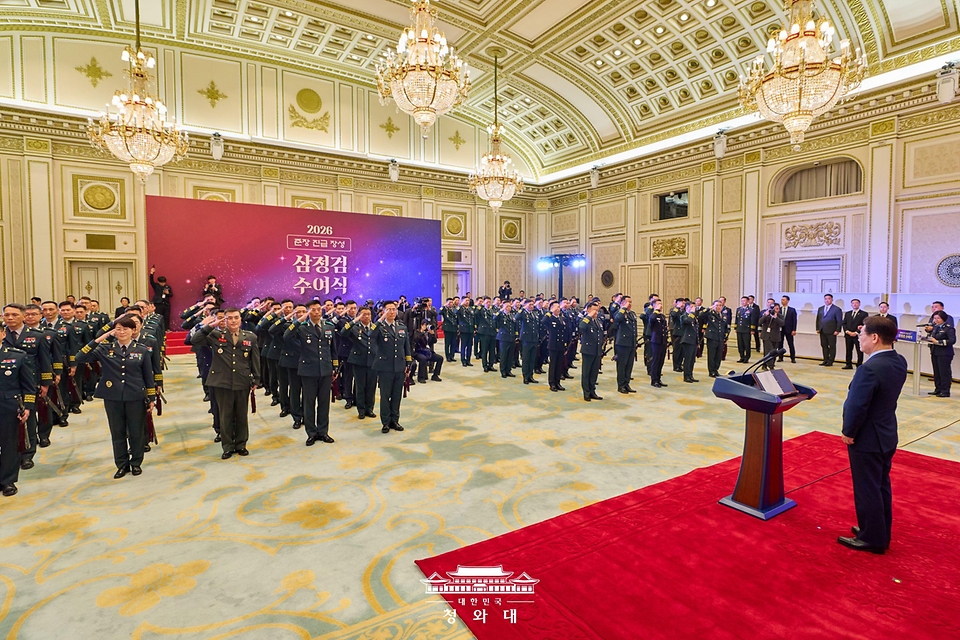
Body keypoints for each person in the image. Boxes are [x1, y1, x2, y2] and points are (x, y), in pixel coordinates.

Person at [838, 316, 907, 554]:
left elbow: (857, 406)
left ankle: (872, 539)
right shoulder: (898, 360)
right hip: (886, 433)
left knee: (867, 488)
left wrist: (848, 432)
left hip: (867, 438)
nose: (859, 338)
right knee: (880, 485)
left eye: (862, 334)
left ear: (875, 338)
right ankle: (878, 529)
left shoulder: (869, 368)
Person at [75, 317, 155, 478]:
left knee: (136, 431)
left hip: (135, 395)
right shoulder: (105, 349)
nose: (122, 332)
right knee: (117, 431)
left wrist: (151, 397)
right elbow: (80, 357)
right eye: (118, 328)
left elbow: (148, 375)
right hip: (112, 396)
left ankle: (136, 463)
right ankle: (121, 464)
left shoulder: (142, 350)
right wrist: (100, 338)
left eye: (126, 329)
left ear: (133, 331)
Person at [192, 308, 260, 459]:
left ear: (240, 319)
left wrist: (256, 378)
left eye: (236, 317)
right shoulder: (216, 335)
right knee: (225, 415)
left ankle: (241, 444)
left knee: (242, 415)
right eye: (230, 318)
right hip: (222, 382)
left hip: (242, 380)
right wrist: (210, 325)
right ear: (225, 320)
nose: (233, 321)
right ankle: (227, 446)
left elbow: (254, 359)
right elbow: (195, 340)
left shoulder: (250, 336)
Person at [287, 300, 337, 445]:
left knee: (324, 403)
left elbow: (333, 349)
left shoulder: (329, 326)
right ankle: (311, 433)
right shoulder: (302, 327)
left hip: (325, 370)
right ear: (309, 312)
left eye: (318, 309)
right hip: (308, 371)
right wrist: (298, 320)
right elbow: (286, 336)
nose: (316, 312)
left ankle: (323, 432)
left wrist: (334, 367)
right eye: (313, 310)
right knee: (309, 403)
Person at [371, 301, 412, 434]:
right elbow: (371, 335)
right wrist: (380, 319)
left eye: (393, 309)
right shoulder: (379, 327)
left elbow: (407, 347)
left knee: (396, 395)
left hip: (399, 366)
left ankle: (395, 420)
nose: (392, 312)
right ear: (383, 311)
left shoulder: (402, 327)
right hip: (385, 367)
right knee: (385, 396)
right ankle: (386, 422)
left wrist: (408, 363)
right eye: (388, 309)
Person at [0, 344, 35, 496]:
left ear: (2, 334)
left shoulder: (18, 356)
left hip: (8, 406)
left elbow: (28, 385)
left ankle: (7, 480)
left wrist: (27, 406)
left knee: (9, 444)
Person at [344, 306, 377, 420]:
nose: (366, 316)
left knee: (371, 386)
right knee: (360, 386)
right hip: (359, 361)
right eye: (364, 314)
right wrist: (354, 321)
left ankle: (370, 408)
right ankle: (361, 409)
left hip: (373, 361)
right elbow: (343, 333)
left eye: (368, 314)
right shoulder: (354, 327)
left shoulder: (375, 327)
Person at [577, 301, 604, 401]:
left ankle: (592, 391)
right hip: (588, 350)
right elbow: (581, 327)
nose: (596, 312)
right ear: (588, 310)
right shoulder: (585, 320)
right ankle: (586, 392)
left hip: (596, 350)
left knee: (594, 373)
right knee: (586, 373)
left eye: (597, 310)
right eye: (594, 310)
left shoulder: (597, 321)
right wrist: (589, 316)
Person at [612, 296, 638, 394]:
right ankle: (621, 385)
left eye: (631, 302)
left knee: (629, 365)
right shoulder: (619, 312)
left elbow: (634, 329)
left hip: (631, 343)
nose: (630, 304)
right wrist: (623, 308)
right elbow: (618, 318)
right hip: (622, 343)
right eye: (627, 302)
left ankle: (627, 384)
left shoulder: (632, 314)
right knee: (622, 366)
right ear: (622, 303)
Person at [927, 311, 955, 398]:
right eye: (935, 318)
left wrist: (938, 342)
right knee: (937, 372)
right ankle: (938, 389)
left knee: (944, 372)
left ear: (943, 318)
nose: (936, 320)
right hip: (935, 352)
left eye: (938, 318)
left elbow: (952, 340)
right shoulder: (935, 327)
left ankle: (945, 391)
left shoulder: (949, 328)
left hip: (944, 353)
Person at [544, 302, 566, 392]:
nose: (558, 309)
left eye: (559, 307)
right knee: (553, 365)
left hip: (561, 345)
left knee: (559, 364)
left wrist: (565, 345)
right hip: (553, 345)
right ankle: (552, 383)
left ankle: (558, 382)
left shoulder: (561, 318)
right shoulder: (550, 318)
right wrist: (550, 311)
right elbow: (543, 321)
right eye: (556, 307)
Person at [815, 293, 843, 366]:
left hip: (832, 331)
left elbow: (839, 321)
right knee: (824, 345)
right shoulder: (820, 308)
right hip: (822, 330)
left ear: (832, 300)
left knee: (832, 346)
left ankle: (831, 361)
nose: (827, 300)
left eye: (829, 299)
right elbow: (818, 319)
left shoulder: (837, 309)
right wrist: (817, 328)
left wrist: (837, 330)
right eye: (825, 299)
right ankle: (825, 359)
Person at [702, 299, 727, 378]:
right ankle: (711, 371)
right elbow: (701, 315)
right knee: (712, 355)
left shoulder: (723, 315)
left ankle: (716, 370)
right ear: (713, 306)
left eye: (720, 305)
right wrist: (709, 308)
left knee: (718, 355)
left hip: (720, 337)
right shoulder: (709, 314)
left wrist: (726, 336)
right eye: (716, 305)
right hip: (712, 337)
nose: (718, 307)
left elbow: (725, 327)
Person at [842, 299, 869, 369]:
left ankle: (859, 364)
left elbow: (864, 324)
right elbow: (844, 323)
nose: (855, 304)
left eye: (856, 303)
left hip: (858, 335)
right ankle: (848, 364)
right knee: (848, 350)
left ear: (859, 304)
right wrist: (847, 331)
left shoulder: (864, 314)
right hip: (848, 335)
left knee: (859, 350)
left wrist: (856, 332)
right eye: (853, 303)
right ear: (851, 304)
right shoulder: (847, 313)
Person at [648, 299, 668, 388]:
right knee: (656, 361)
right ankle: (654, 380)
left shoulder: (662, 316)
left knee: (661, 361)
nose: (661, 305)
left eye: (661, 303)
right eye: (658, 304)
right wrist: (656, 310)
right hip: (656, 341)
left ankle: (658, 379)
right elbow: (651, 320)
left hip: (663, 341)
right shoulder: (653, 315)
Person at [758, 303, 784, 371]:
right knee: (769, 351)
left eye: (777, 309)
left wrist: (776, 317)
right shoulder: (766, 314)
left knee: (774, 352)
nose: (776, 310)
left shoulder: (779, 316)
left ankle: (764, 365)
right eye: (775, 309)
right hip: (766, 336)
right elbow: (760, 322)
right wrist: (765, 315)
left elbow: (782, 323)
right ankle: (771, 366)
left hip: (775, 337)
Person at [496, 300, 518, 379]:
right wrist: (501, 309)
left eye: (509, 306)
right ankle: (503, 371)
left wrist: (516, 335)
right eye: (507, 306)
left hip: (511, 337)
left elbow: (515, 326)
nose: (508, 308)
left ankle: (508, 370)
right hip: (503, 338)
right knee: (503, 355)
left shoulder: (512, 315)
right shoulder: (501, 315)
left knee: (510, 355)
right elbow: (494, 317)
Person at [679, 302, 699, 383]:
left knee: (692, 360)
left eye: (694, 307)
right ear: (687, 308)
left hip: (693, 340)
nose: (694, 308)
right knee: (687, 359)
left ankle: (690, 375)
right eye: (692, 307)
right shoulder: (684, 316)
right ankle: (686, 376)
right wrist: (692, 313)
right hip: (687, 340)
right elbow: (688, 321)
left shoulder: (693, 316)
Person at [149, 266, 173, 331]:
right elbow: (151, 281)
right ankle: (158, 329)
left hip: (166, 304)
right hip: (158, 303)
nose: (163, 284)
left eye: (164, 282)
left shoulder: (167, 287)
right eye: (161, 282)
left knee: (166, 317)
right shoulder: (156, 286)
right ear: (158, 282)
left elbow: (171, 295)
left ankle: (166, 329)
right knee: (158, 317)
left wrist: (168, 293)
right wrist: (152, 273)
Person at [734, 297, 754, 363]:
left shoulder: (751, 310)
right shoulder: (739, 309)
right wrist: (735, 328)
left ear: (748, 302)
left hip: (747, 329)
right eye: (742, 301)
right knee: (740, 344)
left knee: (747, 344)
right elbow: (737, 319)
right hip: (739, 329)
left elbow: (752, 320)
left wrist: (752, 329)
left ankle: (747, 357)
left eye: (744, 301)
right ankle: (741, 356)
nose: (743, 302)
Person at [457, 298, 476, 367]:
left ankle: (468, 360)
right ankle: (463, 360)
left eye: (468, 301)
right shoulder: (460, 308)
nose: (467, 302)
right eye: (466, 301)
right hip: (464, 329)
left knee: (469, 346)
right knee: (463, 346)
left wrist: (474, 328)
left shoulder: (471, 309)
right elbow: (455, 312)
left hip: (470, 329)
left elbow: (473, 319)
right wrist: (460, 305)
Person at [778, 295, 797, 363]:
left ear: (788, 301)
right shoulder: (778, 309)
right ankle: (780, 357)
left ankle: (793, 358)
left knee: (790, 344)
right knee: (780, 344)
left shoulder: (792, 310)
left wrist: (794, 329)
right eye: (782, 300)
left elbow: (794, 320)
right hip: (780, 330)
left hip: (789, 329)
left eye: (784, 300)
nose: (782, 301)